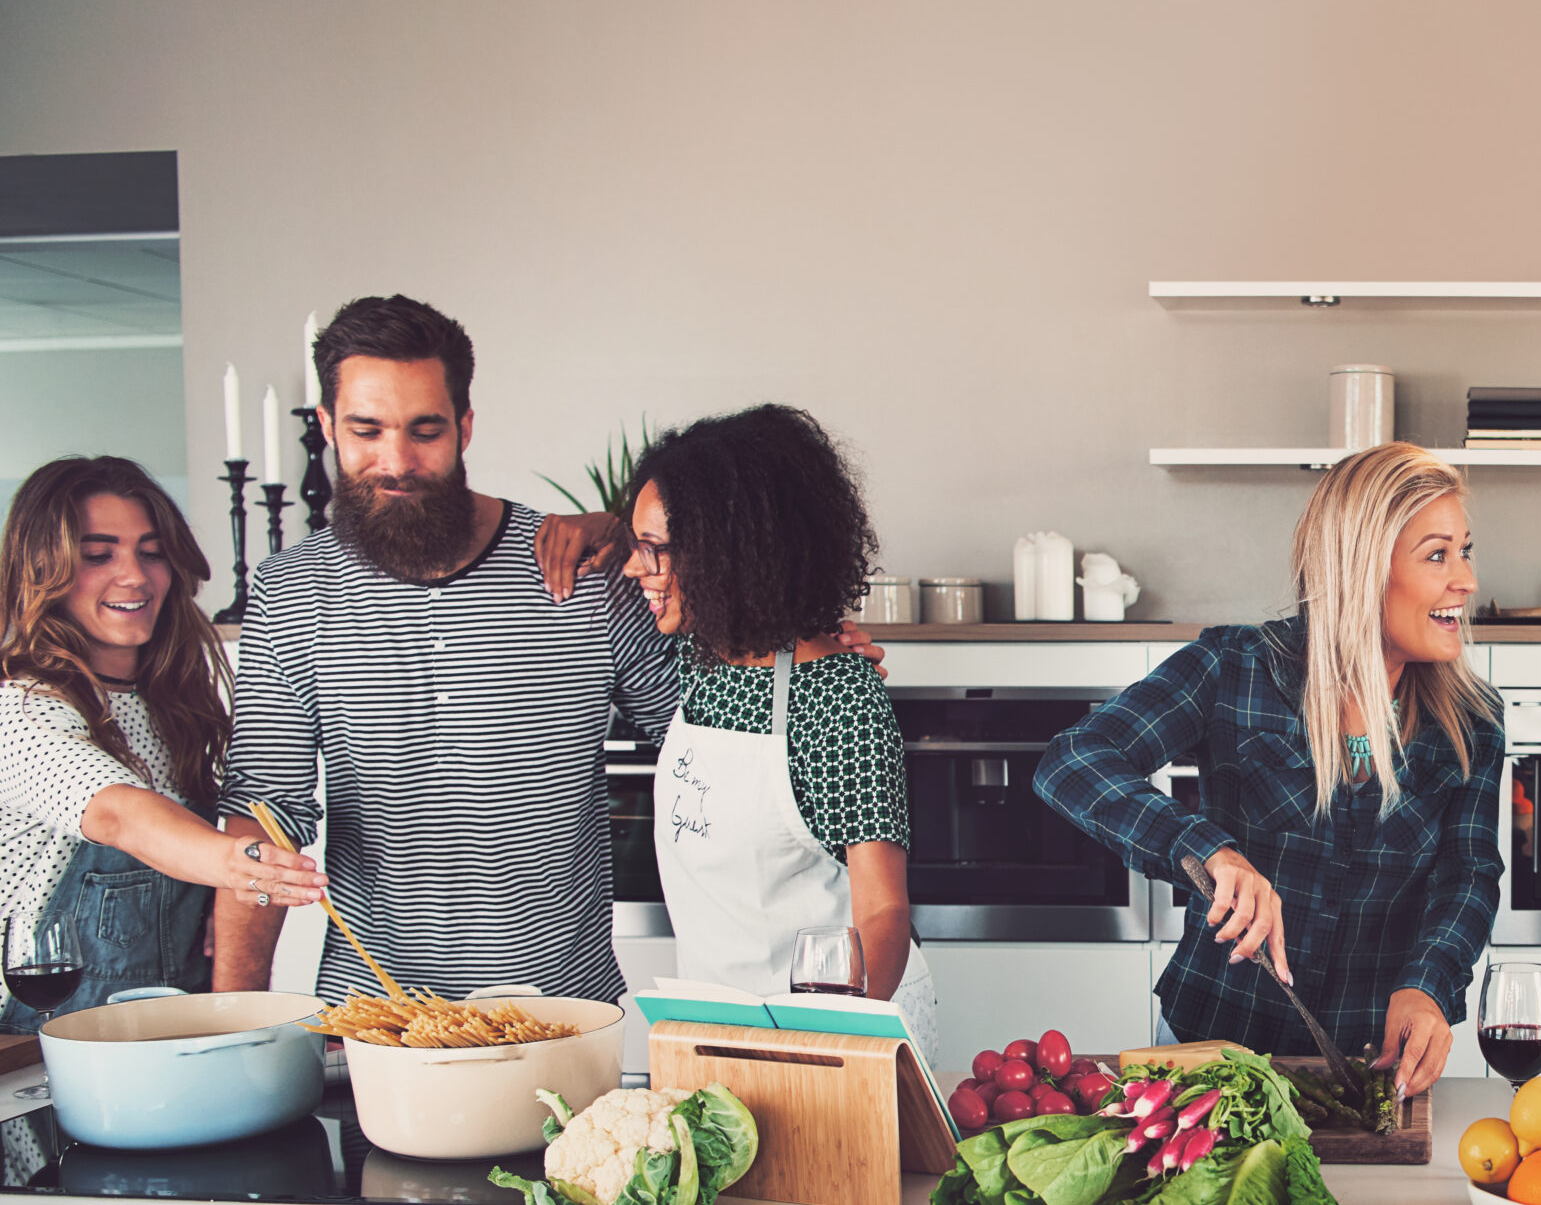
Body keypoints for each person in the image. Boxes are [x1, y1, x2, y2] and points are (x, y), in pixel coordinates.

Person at [213, 294, 684, 1003]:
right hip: (372, 1022)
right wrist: (234, 1026)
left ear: (465, 426)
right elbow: (264, 820)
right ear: (326, 427)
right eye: (366, 430)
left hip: (561, 1015)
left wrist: (807, 656)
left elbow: (707, 729)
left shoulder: (581, 570)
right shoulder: (292, 590)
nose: (395, 461)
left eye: (423, 431)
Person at [1034, 442, 1504, 1095]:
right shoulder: (1234, 668)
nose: (1468, 581)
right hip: (1217, 1047)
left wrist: (1426, 986)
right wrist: (1208, 851)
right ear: (1363, 568)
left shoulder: (1472, 721)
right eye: (1437, 555)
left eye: (1466, 550)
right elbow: (1075, 762)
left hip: (1374, 1068)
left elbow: (1468, 875)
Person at [618, 405, 935, 1059]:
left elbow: (883, 915)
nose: (632, 567)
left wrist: (821, 1052)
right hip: (715, 1034)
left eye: (654, 549)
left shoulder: (835, 694)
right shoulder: (700, 656)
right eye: (634, 543)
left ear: (724, 552)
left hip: (830, 1041)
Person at [0, 458, 322, 1024]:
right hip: (41, 1042)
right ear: (42, 571)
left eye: (151, 552)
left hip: (171, 1035)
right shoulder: (23, 709)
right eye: (98, 555)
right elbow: (118, 814)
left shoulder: (174, 705)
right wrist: (242, 865)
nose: (135, 576)